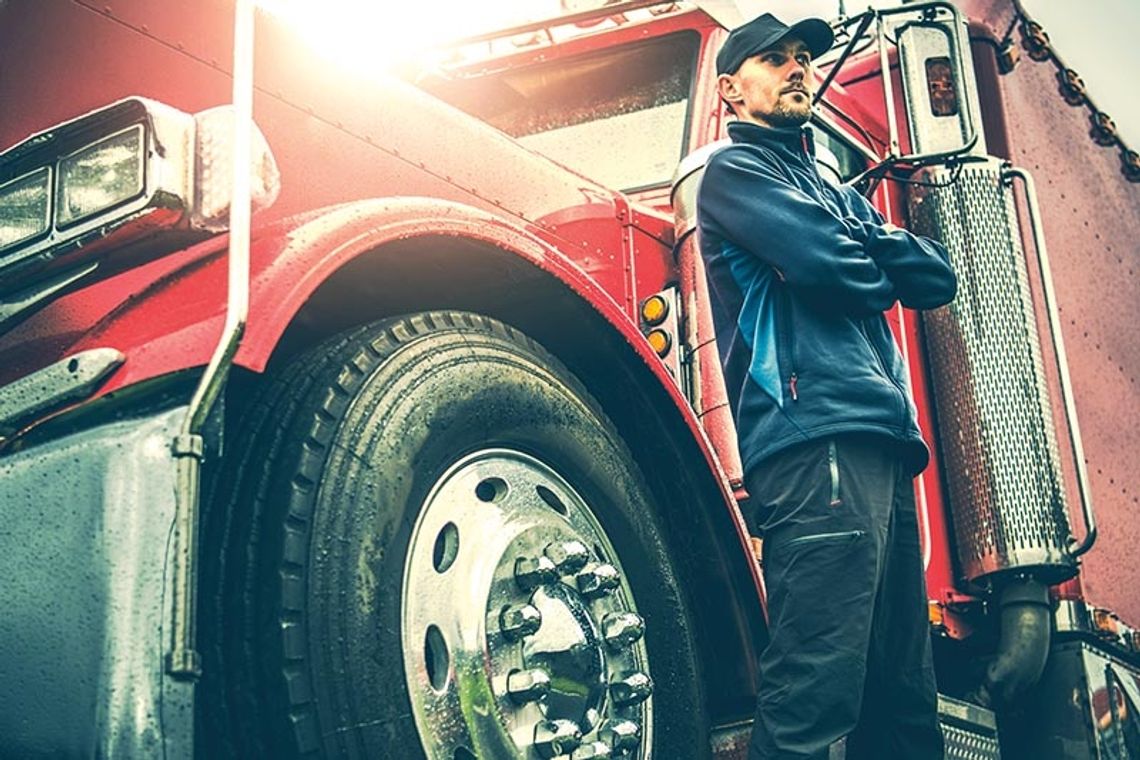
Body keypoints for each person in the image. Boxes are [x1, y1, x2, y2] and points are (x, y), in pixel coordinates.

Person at [696, 12, 958, 760]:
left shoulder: (828, 185)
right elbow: (835, 270)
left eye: (804, 57)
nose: (798, 68)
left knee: (902, 697)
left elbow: (936, 276)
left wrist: (856, 243)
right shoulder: (737, 173)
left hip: (877, 439)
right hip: (816, 438)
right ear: (731, 91)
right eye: (775, 60)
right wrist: (866, 251)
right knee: (817, 682)